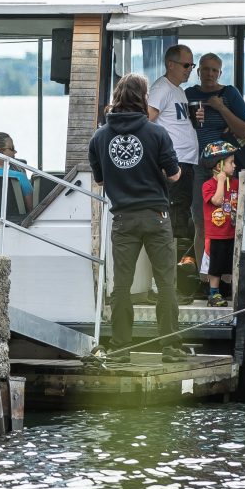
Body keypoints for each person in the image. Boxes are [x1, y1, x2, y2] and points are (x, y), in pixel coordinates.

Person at [89, 73, 183, 360]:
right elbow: (175, 174)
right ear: (143, 98)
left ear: (116, 97)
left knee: (121, 286)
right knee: (166, 283)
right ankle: (169, 347)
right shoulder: (157, 133)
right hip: (156, 215)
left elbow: (101, 180)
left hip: (123, 219)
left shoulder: (100, 136)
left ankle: (120, 347)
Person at [147, 45, 201, 257]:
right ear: (171, 64)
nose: (189, 69)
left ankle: (175, 275)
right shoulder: (162, 88)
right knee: (174, 216)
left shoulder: (178, 90)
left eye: (191, 65)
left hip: (186, 161)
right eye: (186, 65)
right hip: (174, 163)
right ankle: (171, 277)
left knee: (181, 215)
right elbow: (146, 121)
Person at [186, 52, 245, 164]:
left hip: (223, 161)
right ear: (198, 72)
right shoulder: (188, 94)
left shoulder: (230, 93)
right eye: (206, 69)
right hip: (194, 159)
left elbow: (243, 132)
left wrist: (221, 107)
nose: (210, 74)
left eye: (214, 70)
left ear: (220, 74)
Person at [197, 140, 239, 307]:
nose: (234, 165)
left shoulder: (236, 183)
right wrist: (221, 182)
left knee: (230, 265)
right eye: (231, 162)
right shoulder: (208, 185)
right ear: (218, 166)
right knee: (215, 267)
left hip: (232, 231)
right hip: (216, 234)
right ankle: (213, 294)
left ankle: (228, 291)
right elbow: (217, 201)